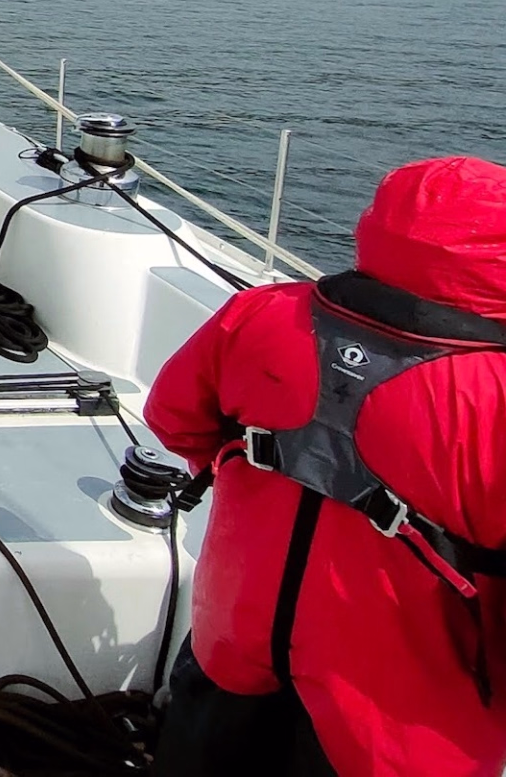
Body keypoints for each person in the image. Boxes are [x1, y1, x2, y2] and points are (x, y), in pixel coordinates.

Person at [146, 155, 506, 777]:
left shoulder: (259, 317)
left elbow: (173, 418)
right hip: (395, 725)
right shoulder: (493, 396)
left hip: (232, 645)